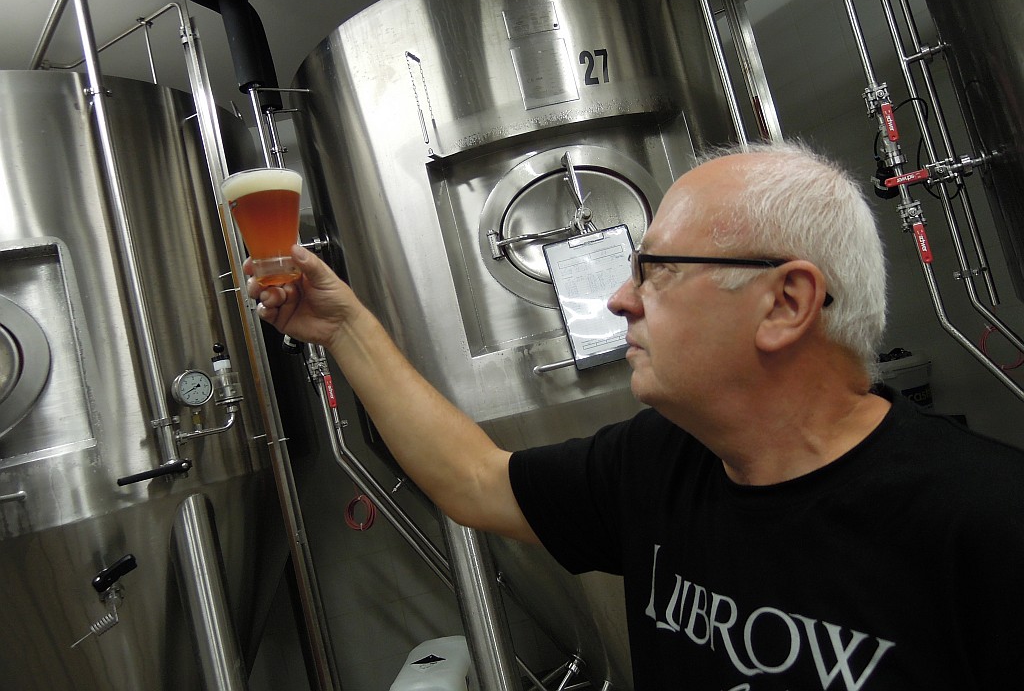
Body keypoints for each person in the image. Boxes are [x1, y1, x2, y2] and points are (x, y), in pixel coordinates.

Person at [248, 141, 1024, 690]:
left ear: (785, 304)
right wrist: (344, 327)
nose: (620, 299)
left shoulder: (987, 522)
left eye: (655, 270)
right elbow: (474, 481)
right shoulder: (662, 459)